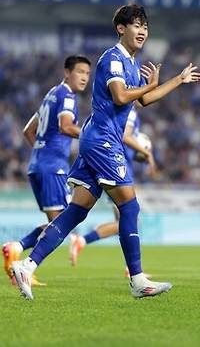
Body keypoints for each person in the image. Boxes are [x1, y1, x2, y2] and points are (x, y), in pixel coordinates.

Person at [11, 4, 200, 300]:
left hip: (96, 140)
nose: (142, 31)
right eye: (136, 25)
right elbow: (121, 95)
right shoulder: (113, 59)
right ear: (121, 29)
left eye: (145, 27)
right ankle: (138, 279)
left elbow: (144, 100)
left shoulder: (131, 64)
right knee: (130, 206)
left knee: (75, 211)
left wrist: (176, 80)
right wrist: (146, 85)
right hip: (102, 141)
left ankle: (27, 264)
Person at [1, 56, 91, 284]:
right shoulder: (67, 96)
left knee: (58, 222)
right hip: (53, 169)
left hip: (38, 166)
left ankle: (18, 256)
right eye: (79, 72)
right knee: (62, 223)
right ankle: (19, 253)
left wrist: (43, 153)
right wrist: (93, 136)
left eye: (87, 74)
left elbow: (27, 130)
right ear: (67, 72)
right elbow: (66, 126)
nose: (84, 77)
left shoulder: (51, 94)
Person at [68, 107, 156, 275]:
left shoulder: (125, 112)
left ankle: (130, 268)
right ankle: (82, 241)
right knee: (127, 220)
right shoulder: (130, 112)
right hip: (115, 170)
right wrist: (146, 152)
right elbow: (126, 136)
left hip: (116, 168)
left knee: (124, 222)